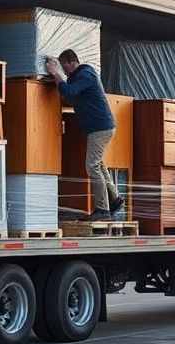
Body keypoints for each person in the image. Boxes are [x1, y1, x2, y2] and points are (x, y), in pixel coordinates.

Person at [46, 49, 125, 221]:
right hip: (99, 127)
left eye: (63, 66)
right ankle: (115, 199)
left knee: (92, 166)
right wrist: (59, 79)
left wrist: (55, 74)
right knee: (99, 165)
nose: (63, 70)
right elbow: (70, 94)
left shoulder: (86, 74)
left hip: (100, 128)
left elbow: (69, 92)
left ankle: (102, 209)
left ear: (71, 62)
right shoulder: (77, 77)